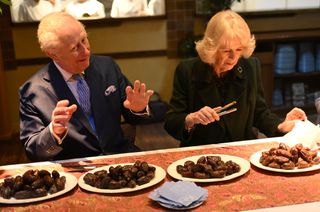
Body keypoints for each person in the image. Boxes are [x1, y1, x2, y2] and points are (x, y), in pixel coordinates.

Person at [19, 12, 153, 161]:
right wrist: (53, 133)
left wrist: (138, 109)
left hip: (119, 157)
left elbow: (134, 118)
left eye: (84, 39)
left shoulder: (107, 66)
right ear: (53, 54)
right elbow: (32, 150)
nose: (86, 50)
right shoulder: (32, 91)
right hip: (74, 167)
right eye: (75, 48)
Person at [164, 10, 307, 147]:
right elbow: (171, 121)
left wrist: (281, 125)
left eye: (238, 49)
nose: (233, 58)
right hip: (203, 155)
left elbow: (260, 112)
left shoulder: (251, 66)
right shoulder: (187, 70)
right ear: (212, 47)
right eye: (226, 50)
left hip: (241, 150)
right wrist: (191, 119)